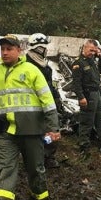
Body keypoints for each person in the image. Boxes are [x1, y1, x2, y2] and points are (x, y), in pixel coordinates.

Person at [0, 34, 60, 200]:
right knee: (4, 170)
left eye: (9, 49)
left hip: (31, 131)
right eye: (3, 49)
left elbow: (47, 101)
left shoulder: (32, 71)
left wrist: (53, 127)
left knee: (35, 169)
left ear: (19, 50)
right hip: (6, 131)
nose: (5, 52)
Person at [26, 33, 65, 169]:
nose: (46, 50)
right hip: (31, 105)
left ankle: (48, 156)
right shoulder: (26, 65)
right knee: (32, 134)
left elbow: (49, 86)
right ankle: (33, 159)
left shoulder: (45, 66)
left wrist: (57, 98)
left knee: (51, 130)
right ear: (39, 48)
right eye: (44, 47)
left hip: (46, 104)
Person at [70, 39, 101, 152]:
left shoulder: (92, 61)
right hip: (87, 94)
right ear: (84, 48)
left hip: (96, 94)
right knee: (86, 120)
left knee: (100, 120)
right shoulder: (78, 63)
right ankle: (84, 144)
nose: (92, 53)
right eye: (90, 50)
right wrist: (81, 97)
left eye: (94, 51)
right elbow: (76, 83)